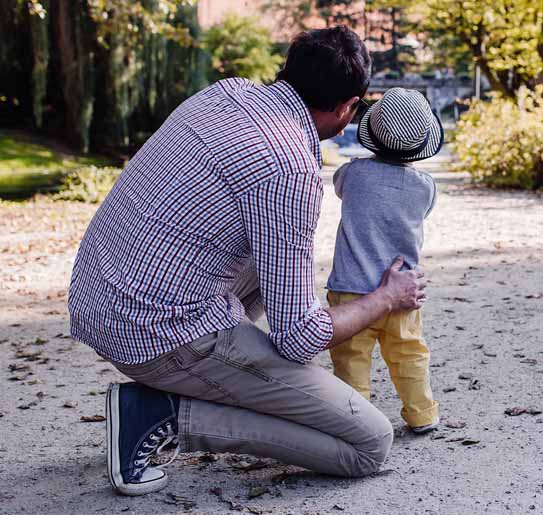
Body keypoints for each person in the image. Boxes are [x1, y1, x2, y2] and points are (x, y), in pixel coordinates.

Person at [67, 26, 426, 497]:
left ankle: (229, 373)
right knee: (368, 443)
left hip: (98, 295)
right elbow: (301, 338)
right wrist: (385, 297)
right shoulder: (291, 168)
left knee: (275, 256)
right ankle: (161, 416)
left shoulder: (226, 92)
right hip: (156, 331)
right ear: (346, 108)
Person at [326, 88, 442, 433]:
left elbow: (337, 186)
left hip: (351, 293)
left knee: (351, 360)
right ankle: (422, 414)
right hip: (403, 292)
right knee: (409, 354)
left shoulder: (353, 174)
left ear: (371, 134)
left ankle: (356, 422)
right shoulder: (425, 187)